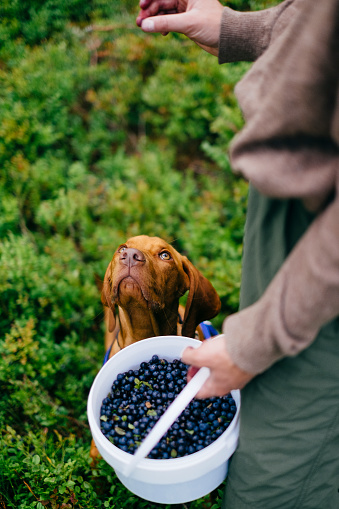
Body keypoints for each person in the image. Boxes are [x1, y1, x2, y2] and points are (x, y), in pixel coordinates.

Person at [136, 1, 339, 508]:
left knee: (274, 482)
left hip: (326, 254)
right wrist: (243, 29)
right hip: (310, 215)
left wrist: (253, 344)